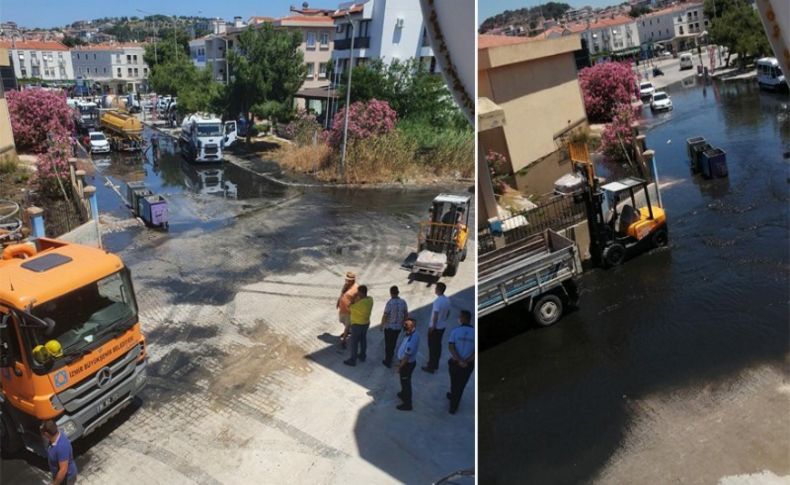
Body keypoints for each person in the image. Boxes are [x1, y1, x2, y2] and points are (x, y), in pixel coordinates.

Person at [447, 310, 474, 415]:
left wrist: (459, 360)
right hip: (468, 365)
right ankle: (454, 398)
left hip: (455, 363)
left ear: (463, 318)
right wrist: (466, 361)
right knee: (461, 385)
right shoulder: (474, 333)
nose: (459, 318)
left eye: (460, 317)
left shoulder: (455, 331)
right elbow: (475, 352)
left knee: (454, 383)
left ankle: (453, 405)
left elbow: (451, 347)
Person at [423, 282, 451, 374]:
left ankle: (431, 366)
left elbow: (435, 315)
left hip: (435, 327)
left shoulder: (437, 301)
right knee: (438, 346)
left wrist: (432, 327)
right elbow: (448, 313)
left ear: (438, 290)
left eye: (436, 288)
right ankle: (435, 364)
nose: (435, 289)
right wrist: (444, 320)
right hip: (442, 327)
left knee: (432, 348)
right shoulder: (447, 300)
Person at [40, 420, 78, 485]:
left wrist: (55, 483)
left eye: (43, 434)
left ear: (46, 434)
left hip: (67, 479)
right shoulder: (57, 435)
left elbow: (63, 470)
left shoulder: (61, 447)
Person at [344, 285, 373, 366]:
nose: (357, 293)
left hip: (357, 325)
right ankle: (362, 356)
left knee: (354, 342)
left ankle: (353, 360)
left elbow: (349, 306)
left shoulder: (360, 304)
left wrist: (354, 299)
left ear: (361, 292)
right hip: (366, 323)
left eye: (358, 292)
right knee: (363, 340)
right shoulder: (370, 300)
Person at [380, 285, 408, 368]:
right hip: (398, 327)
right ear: (398, 293)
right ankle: (390, 356)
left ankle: (388, 360)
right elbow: (406, 314)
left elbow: (385, 315)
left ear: (391, 293)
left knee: (388, 344)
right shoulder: (403, 302)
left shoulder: (390, 303)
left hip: (389, 327)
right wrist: (404, 324)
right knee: (393, 342)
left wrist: (382, 325)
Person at [396, 317, 419, 411]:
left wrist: (400, 367)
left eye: (406, 325)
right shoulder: (411, 333)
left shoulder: (412, 338)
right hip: (406, 363)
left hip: (406, 364)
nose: (404, 326)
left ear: (412, 326)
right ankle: (403, 394)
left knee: (406, 383)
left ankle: (407, 404)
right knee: (403, 381)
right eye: (404, 324)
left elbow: (407, 356)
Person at [337, 272, 358, 348]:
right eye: (346, 279)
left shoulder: (356, 289)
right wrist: (338, 302)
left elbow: (357, 301)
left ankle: (344, 340)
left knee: (347, 324)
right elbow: (341, 294)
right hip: (342, 309)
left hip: (349, 312)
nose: (346, 281)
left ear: (352, 280)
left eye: (348, 280)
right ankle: (349, 330)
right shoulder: (346, 285)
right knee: (342, 321)